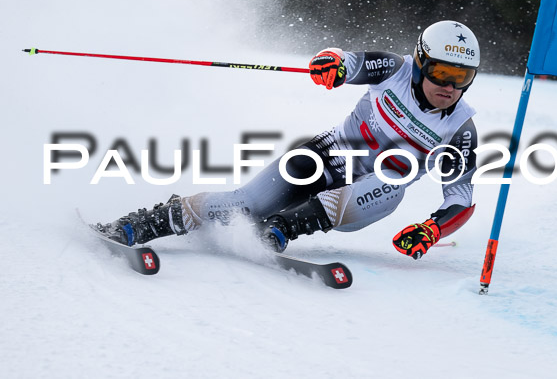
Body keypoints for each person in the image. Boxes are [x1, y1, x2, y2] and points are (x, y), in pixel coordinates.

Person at [96, 20, 480, 260]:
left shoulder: (461, 130)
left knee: (393, 185)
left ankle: (283, 228)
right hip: (326, 157)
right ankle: (145, 223)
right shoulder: (394, 69)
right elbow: (348, 59)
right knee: (247, 203)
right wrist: (333, 65)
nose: (449, 86)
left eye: (461, 77)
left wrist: (433, 229)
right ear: (420, 62)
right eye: (442, 72)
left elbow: (461, 200)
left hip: (365, 197)